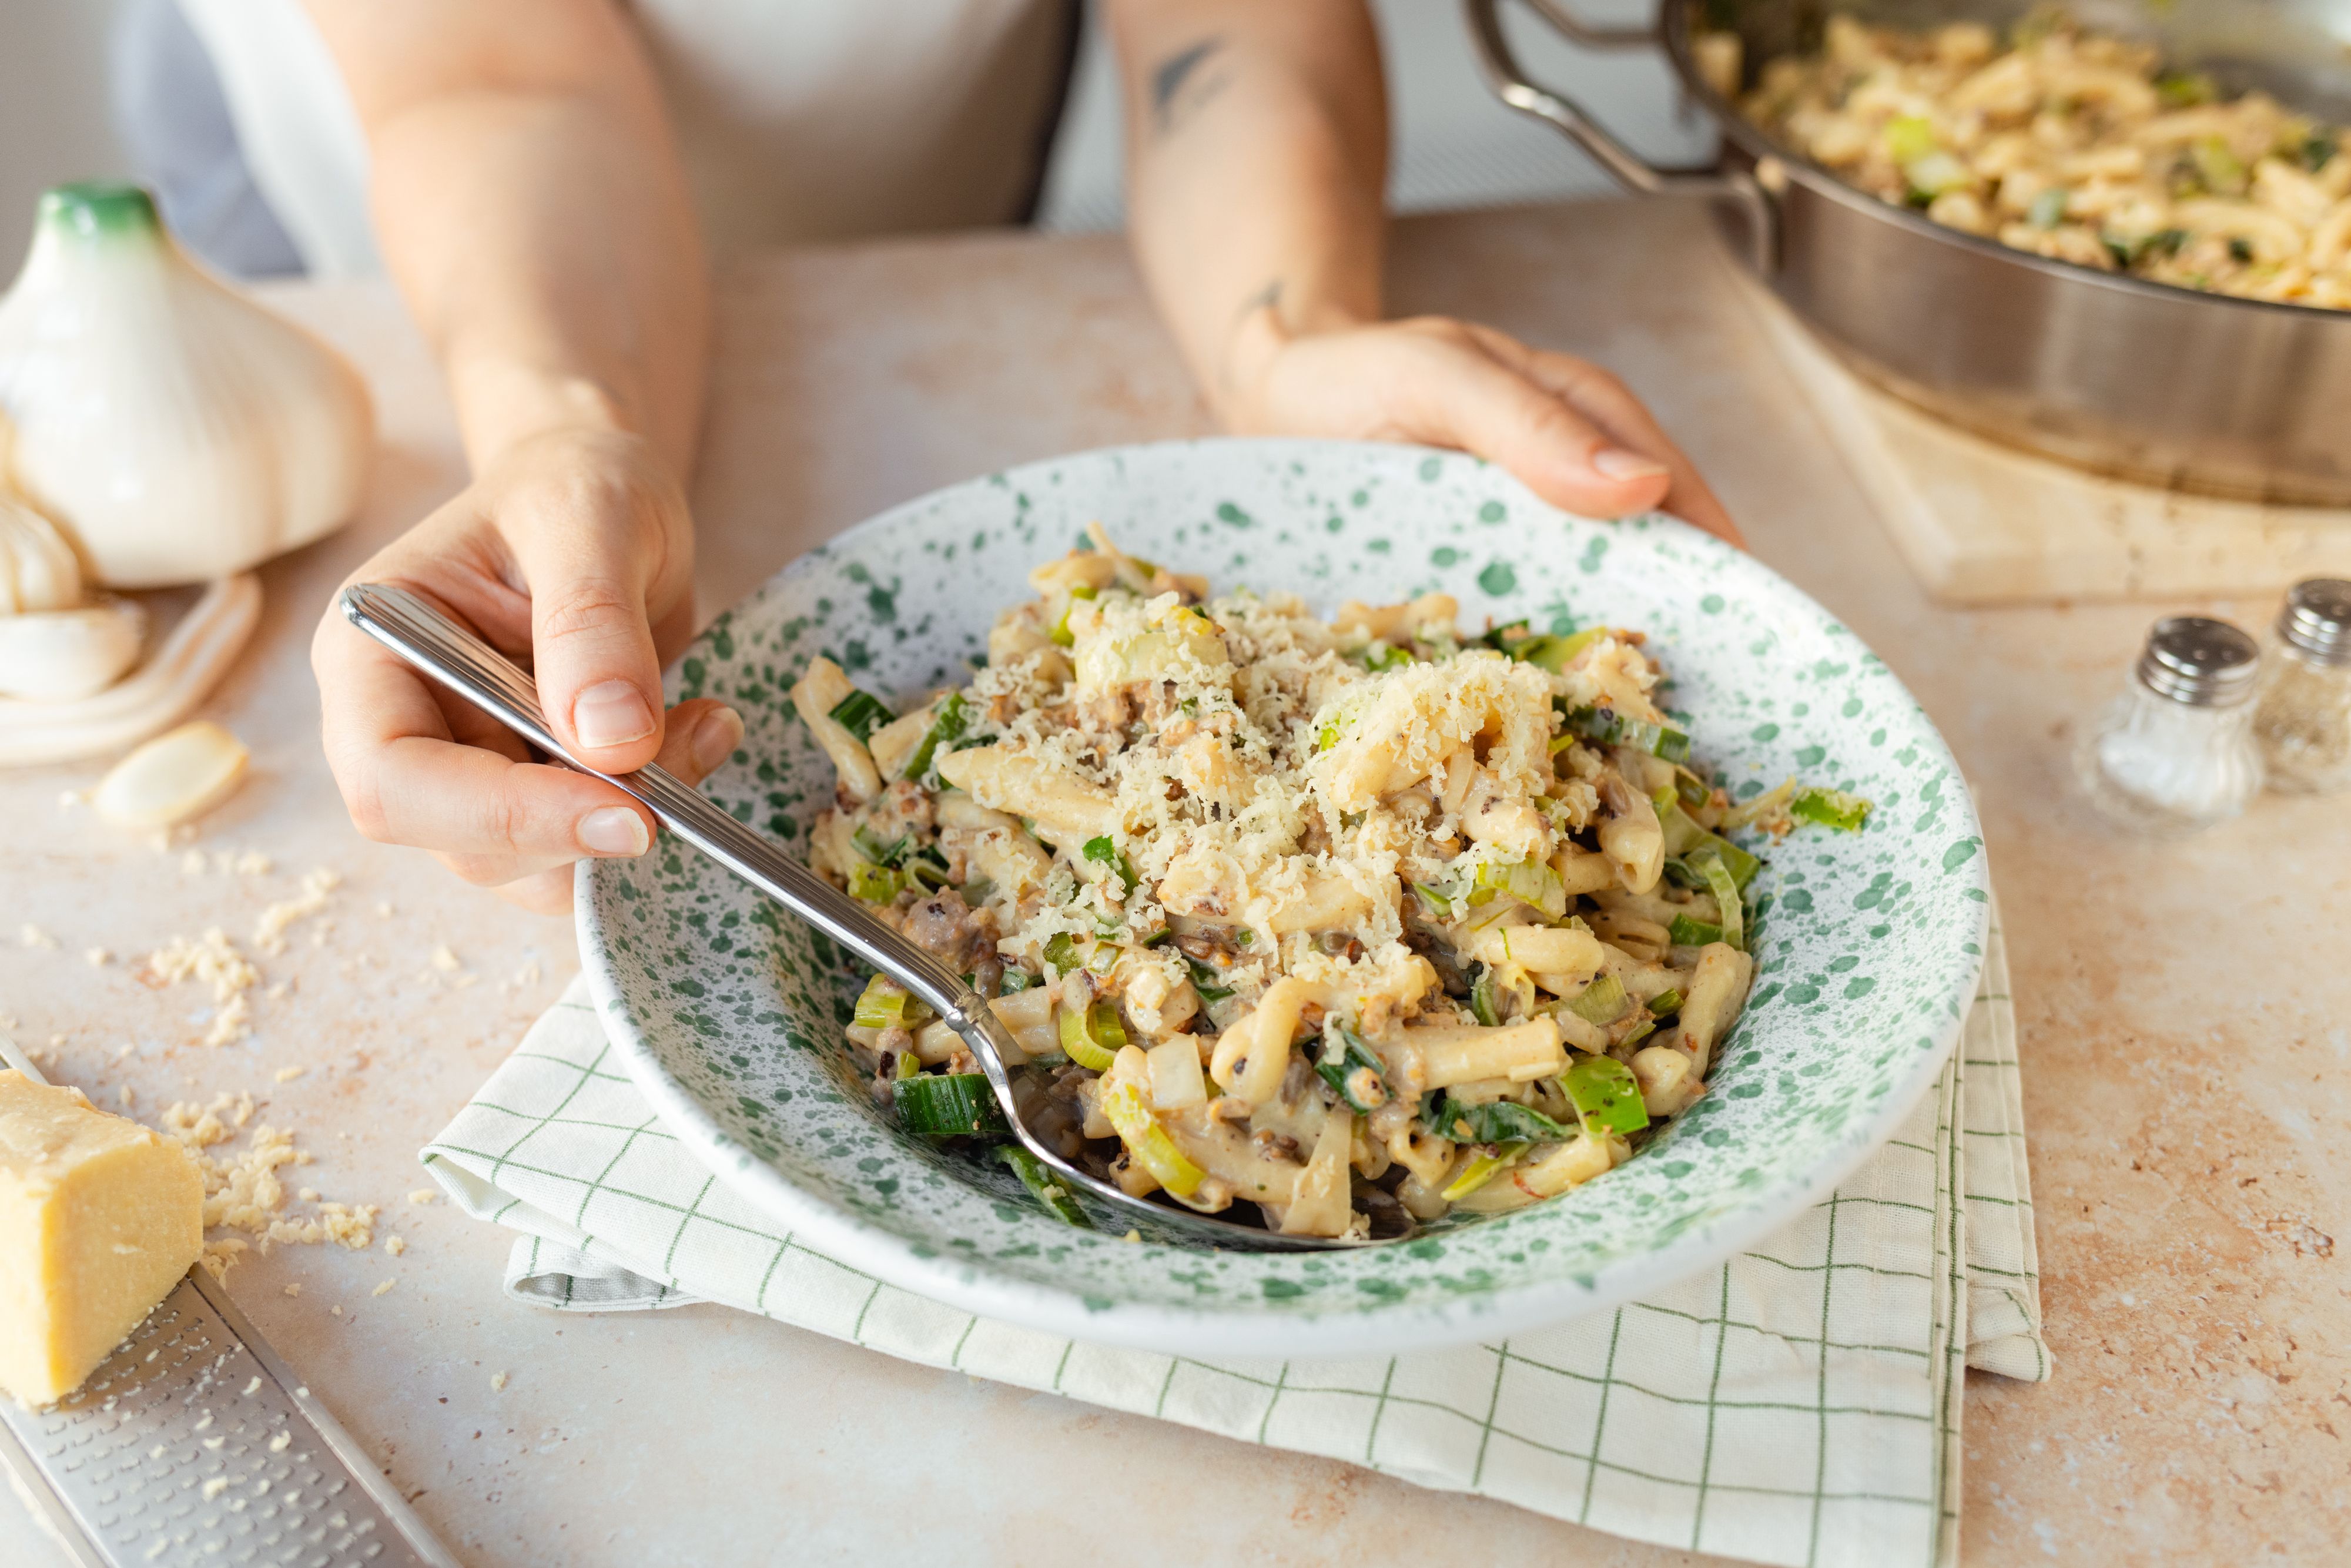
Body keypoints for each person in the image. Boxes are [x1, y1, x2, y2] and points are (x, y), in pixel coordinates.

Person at [296, 0, 1740, 914]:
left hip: (938, 192)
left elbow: (1220, 26)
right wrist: (558, 426)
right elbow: (497, 70)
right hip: (475, 218)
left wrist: (1282, 335)